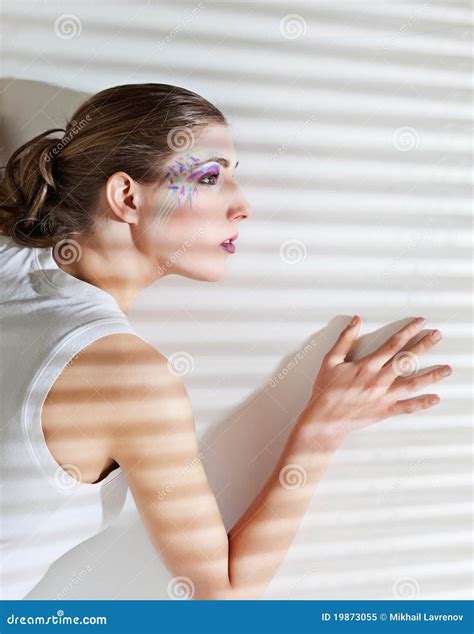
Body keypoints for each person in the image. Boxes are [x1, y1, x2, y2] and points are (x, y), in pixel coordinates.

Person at [0, 83, 452, 600]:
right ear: (127, 196)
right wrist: (323, 428)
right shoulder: (125, 376)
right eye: (211, 176)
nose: (243, 207)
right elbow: (222, 597)